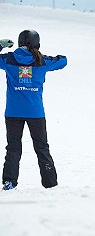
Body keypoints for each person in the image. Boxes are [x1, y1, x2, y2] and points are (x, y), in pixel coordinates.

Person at [0, 30, 67, 190]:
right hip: (35, 113)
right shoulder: (42, 61)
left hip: (13, 112)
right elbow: (63, 61)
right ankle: (50, 184)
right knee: (42, 147)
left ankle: (9, 182)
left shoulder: (8, 59)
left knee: (13, 147)